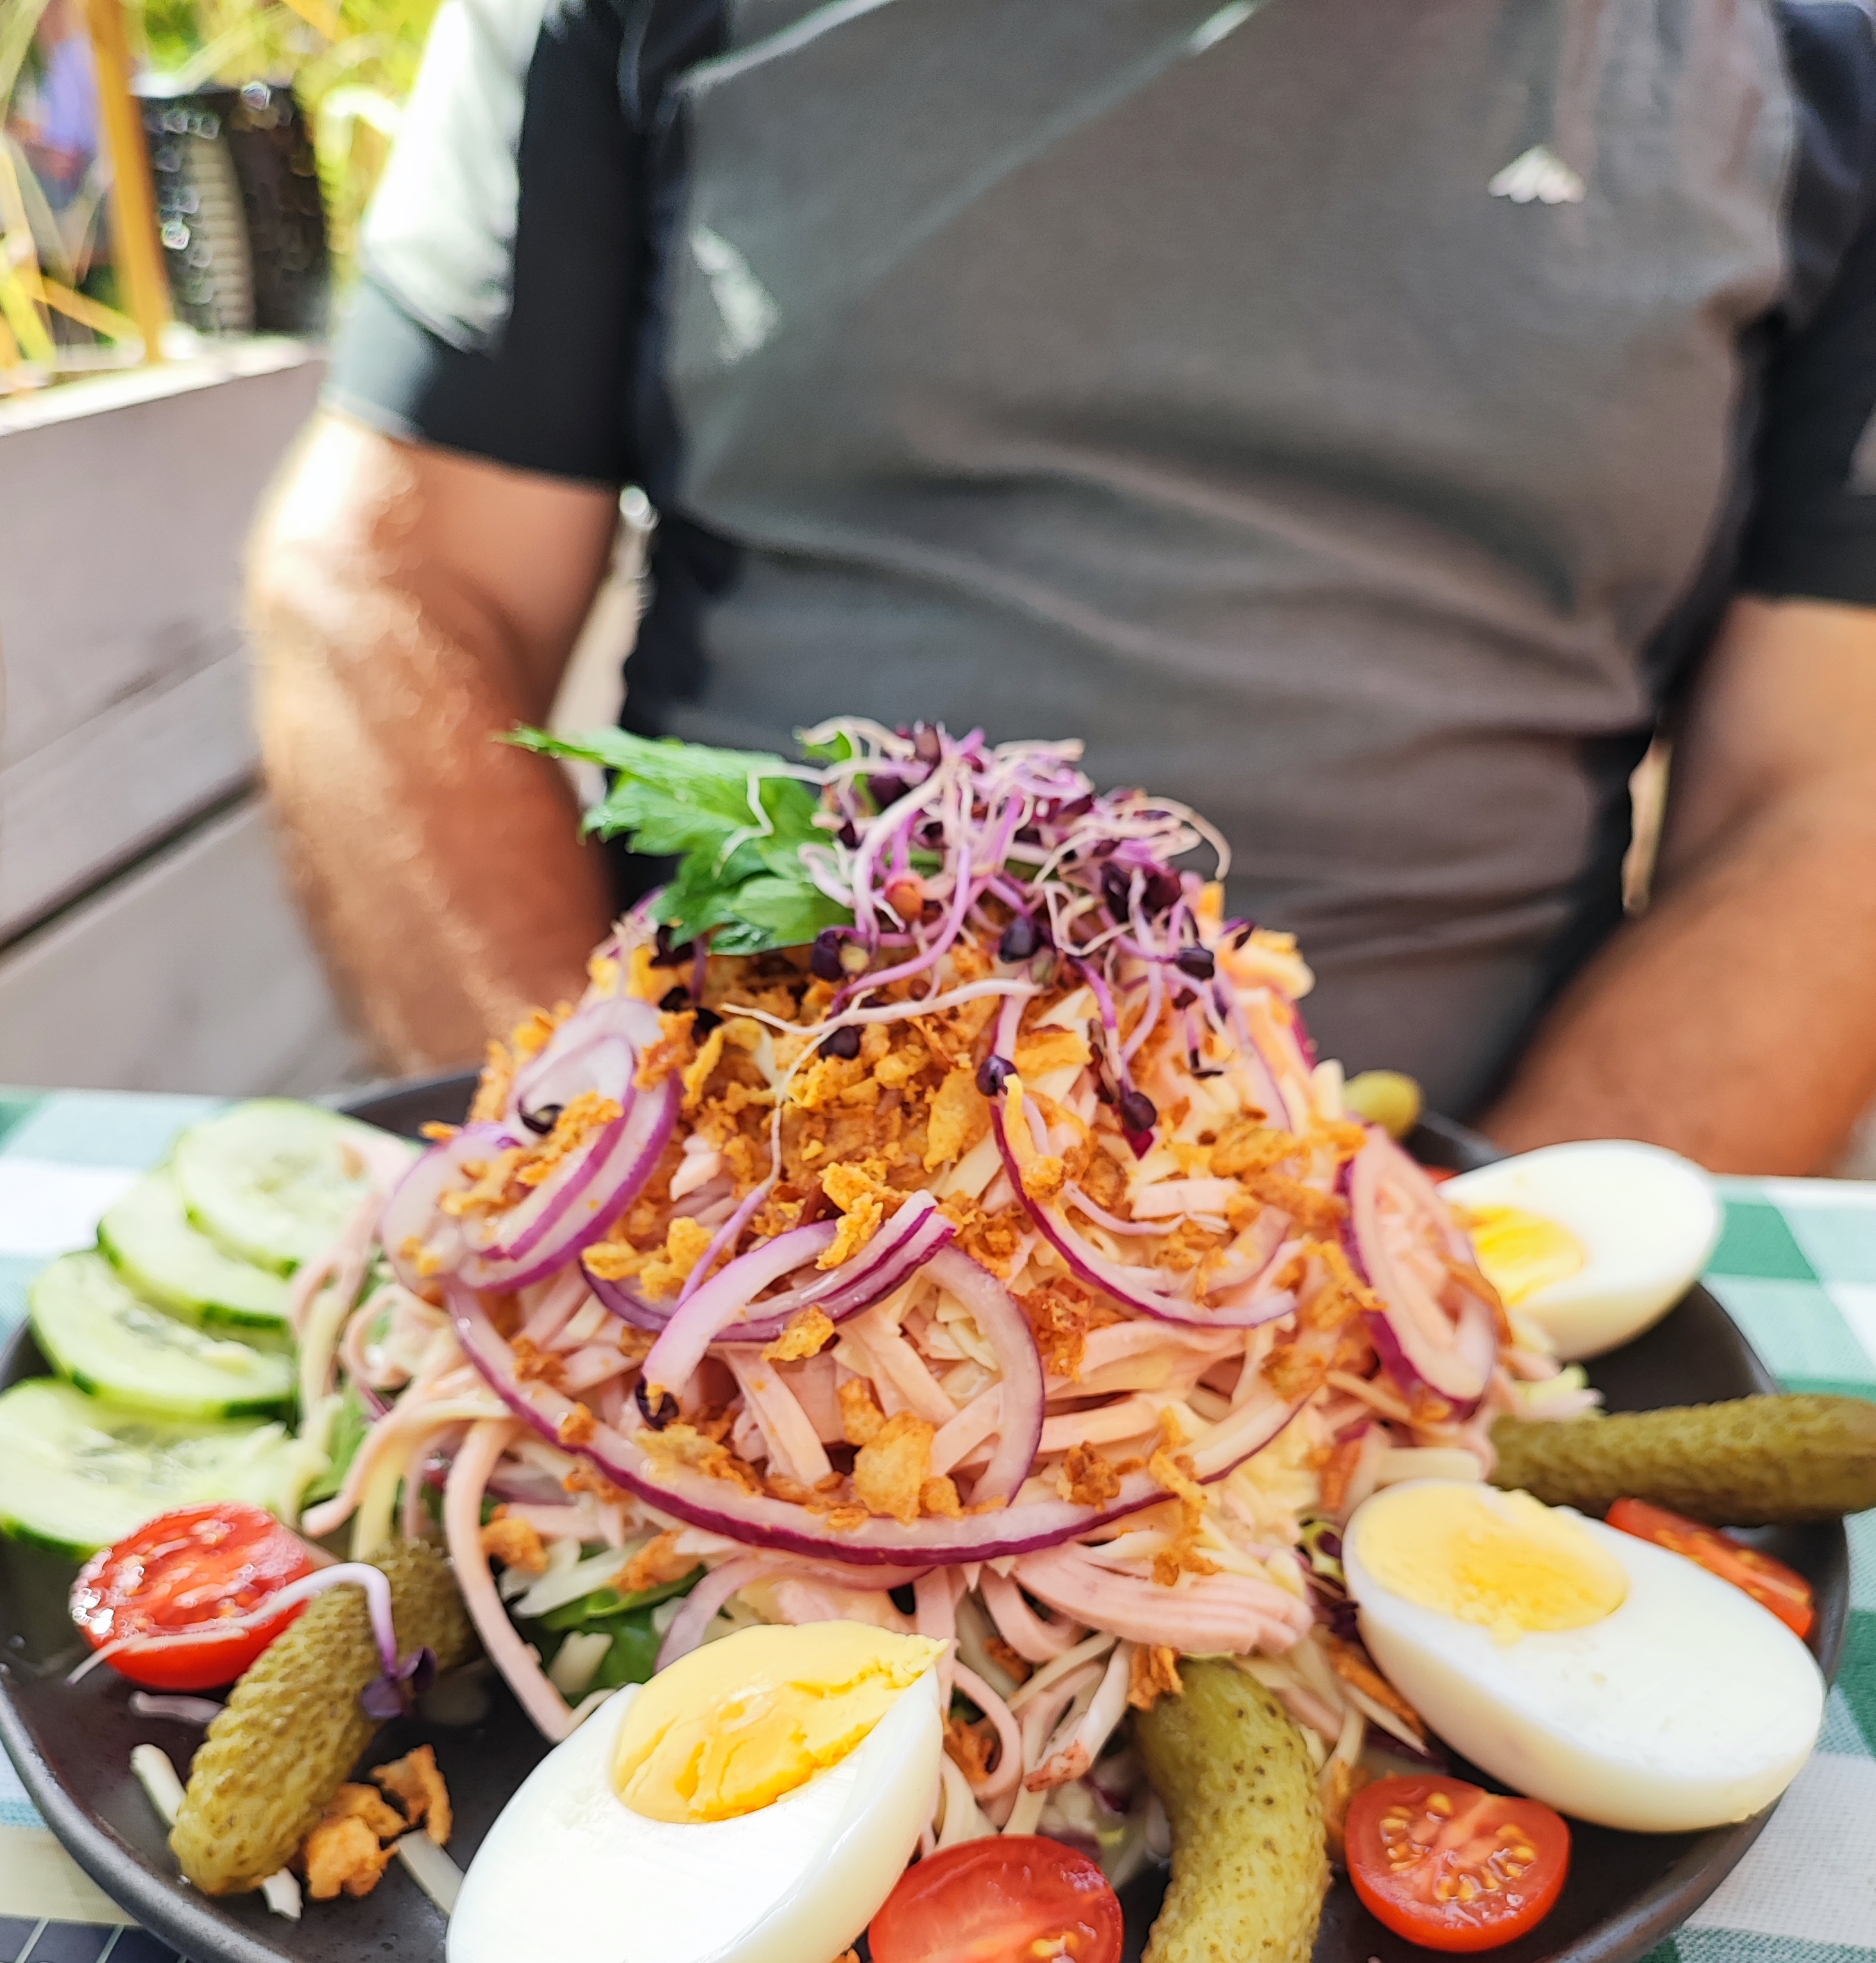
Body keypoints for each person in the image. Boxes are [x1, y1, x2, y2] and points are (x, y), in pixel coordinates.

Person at [246, 0, 1876, 1173]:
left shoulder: (1810, 70)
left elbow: (1830, 788)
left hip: (1447, 1181)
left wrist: (1468, 1292)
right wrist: (582, 1165)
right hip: (726, 1170)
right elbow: (389, 581)